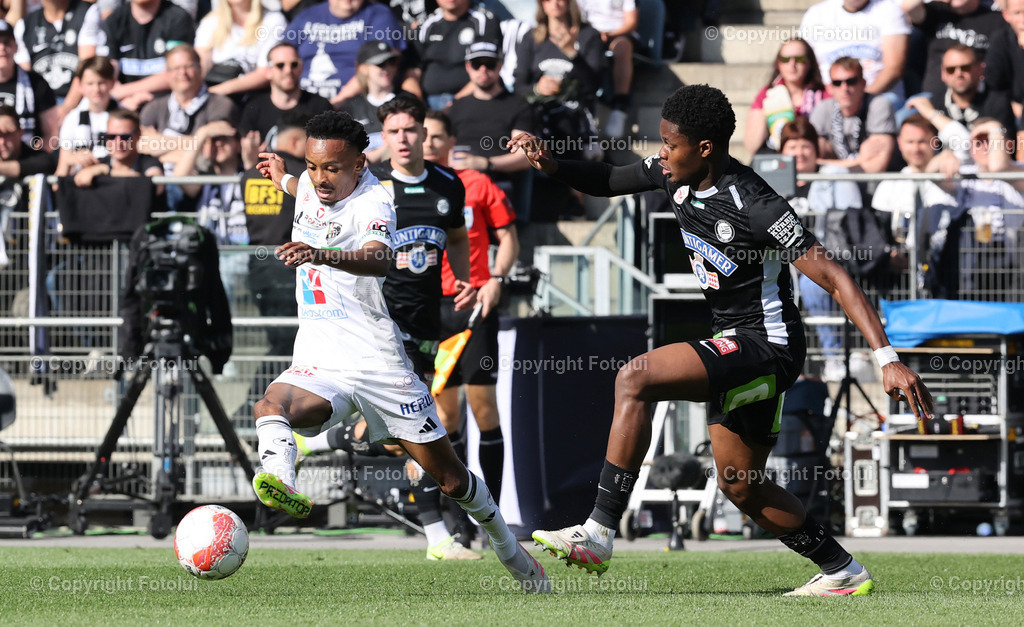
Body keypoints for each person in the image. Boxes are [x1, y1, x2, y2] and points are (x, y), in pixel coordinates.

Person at [507, 84, 934, 596]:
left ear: (705, 147)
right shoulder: (671, 174)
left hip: (768, 345)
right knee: (740, 485)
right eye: (661, 143)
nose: (661, 154)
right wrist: (551, 164)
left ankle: (597, 531)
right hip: (736, 342)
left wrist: (887, 357)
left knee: (634, 378)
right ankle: (842, 571)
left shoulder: (757, 204)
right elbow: (606, 179)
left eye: (671, 144)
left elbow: (836, 277)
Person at [252, 109, 549, 592]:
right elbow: (296, 186)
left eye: (333, 168)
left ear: (360, 164)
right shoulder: (307, 183)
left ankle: (512, 554)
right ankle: (282, 480)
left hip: (382, 366)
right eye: (312, 166)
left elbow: (379, 258)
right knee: (270, 406)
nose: (321, 178)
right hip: (321, 357)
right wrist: (280, 173)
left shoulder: (375, 202)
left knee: (452, 480)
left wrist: (319, 254)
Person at [294, 95, 481, 560]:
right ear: (383, 138)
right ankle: (439, 536)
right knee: (418, 430)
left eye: (409, 130)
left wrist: (466, 278)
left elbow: (457, 237)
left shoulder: (447, 185)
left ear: (423, 133)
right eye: (392, 131)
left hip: (426, 322)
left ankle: (325, 436)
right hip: (379, 325)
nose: (402, 139)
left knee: (429, 429)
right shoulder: (367, 188)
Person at [425, 107, 518, 517]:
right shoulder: (403, 189)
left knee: (483, 407)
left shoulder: (476, 184)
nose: (427, 143)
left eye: (436, 137)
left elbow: (509, 237)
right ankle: (459, 515)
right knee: (445, 416)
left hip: (474, 303)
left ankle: (491, 512)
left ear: (450, 143)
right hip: (431, 308)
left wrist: (498, 277)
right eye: (421, 136)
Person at [447, 39, 535, 219]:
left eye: (490, 64)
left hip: (500, 187)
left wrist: (486, 163)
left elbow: (527, 156)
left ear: (500, 66)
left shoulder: (518, 105)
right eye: (477, 64)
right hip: (461, 185)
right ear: (468, 67)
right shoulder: (456, 107)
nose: (483, 70)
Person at [283, 0, 406, 100]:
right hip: (303, 99)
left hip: (354, 104)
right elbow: (281, 54)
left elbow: (379, 64)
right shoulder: (308, 15)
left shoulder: (378, 14)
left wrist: (338, 102)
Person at [237, 41, 333, 166]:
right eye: (280, 65)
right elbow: (248, 159)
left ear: (301, 67)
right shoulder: (254, 108)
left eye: (294, 64)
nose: (288, 70)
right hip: (263, 179)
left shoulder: (320, 106)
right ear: (268, 71)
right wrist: (250, 158)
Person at [799, 0, 909, 100]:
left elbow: (894, 68)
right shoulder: (816, 14)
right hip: (827, 99)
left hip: (879, 96)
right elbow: (801, 60)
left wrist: (861, 98)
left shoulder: (889, 10)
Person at [99, 0, 196, 111]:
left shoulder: (178, 18)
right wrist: (123, 100)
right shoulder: (114, 20)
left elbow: (177, 74)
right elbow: (107, 71)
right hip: (124, 106)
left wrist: (124, 91)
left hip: (165, 107)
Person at [409, 0, 503, 110]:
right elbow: (412, 70)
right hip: (428, 101)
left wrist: (453, 105)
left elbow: (488, 69)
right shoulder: (425, 24)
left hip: (472, 100)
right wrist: (416, 103)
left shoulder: (485, 20)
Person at [809, 57, 896, 174]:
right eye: (837, 83)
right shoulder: (823, 109)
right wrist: (860, 160)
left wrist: (827, 164)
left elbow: (876, 167)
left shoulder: (878, 105)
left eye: (851, 81)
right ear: (830, 88)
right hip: (833, 182)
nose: (845, 88)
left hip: (874, 187)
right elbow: (809, 162)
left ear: (863, 83)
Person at [744, 38, 827, 156]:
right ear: (778, 63)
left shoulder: (825, 94)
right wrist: (771, 109)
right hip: (778, 162)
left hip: (812, 163)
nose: (792, 64)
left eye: (799, 59)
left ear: (810, 63)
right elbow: (752, 146)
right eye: (785, 59)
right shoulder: (767, 94)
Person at [194, 0, 286, 99]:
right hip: (215, 94)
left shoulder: (273, 20)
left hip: (253, 97)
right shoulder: (210, 22)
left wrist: (217, 91)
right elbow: (200, 65)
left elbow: (266, 73)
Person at [575, 0, 637, 138]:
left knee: (622, 47)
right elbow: (574, 16)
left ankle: (620, 106)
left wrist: (608, 34)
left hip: (618, 35)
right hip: (588, 36)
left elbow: (631, 22)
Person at [55, 56, 118, 177]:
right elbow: (62, 167)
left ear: (112, 83)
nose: (96, 89)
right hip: (81, 184)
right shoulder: (72, 118)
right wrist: (74, 158)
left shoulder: (123, 116)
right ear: (80, 86)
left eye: (101, 83)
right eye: (90, 84)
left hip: (114, 182)